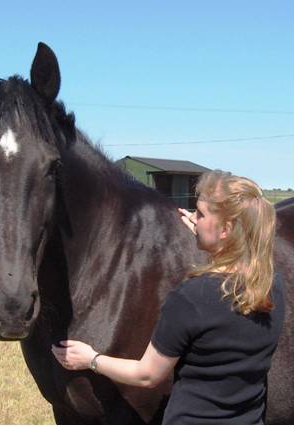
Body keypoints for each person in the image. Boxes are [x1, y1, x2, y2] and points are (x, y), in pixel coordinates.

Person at [52, 170, 285, 425]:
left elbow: (147, 375)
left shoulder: (190, 299)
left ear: (226, 229)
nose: (193, 218)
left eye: (201, 213)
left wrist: (91, 359)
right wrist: (208, 235)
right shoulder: (273, 287)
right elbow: (226, 289)